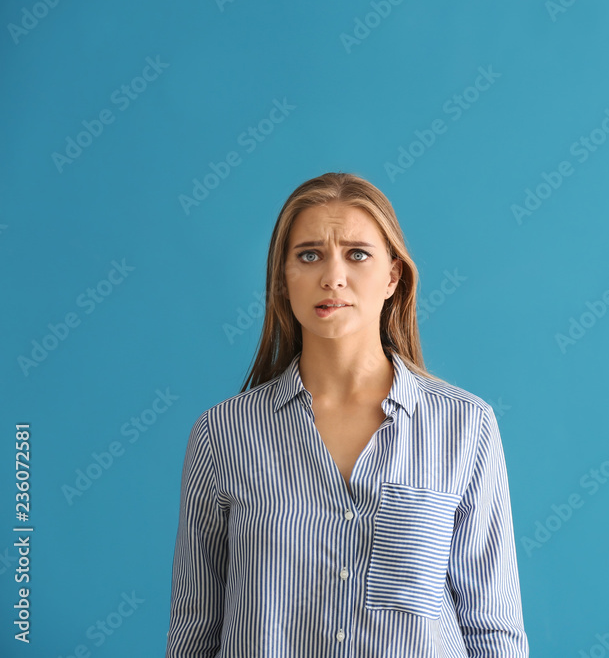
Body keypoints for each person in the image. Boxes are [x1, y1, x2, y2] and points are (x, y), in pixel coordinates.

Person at [165, 172, 529, 657]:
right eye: (309, 255)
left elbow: (492, 628)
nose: (332, 276)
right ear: (283, 279)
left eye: (357, 254)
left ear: (393, 276)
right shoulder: (223, 434)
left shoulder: (464, 427)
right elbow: (196, 628)